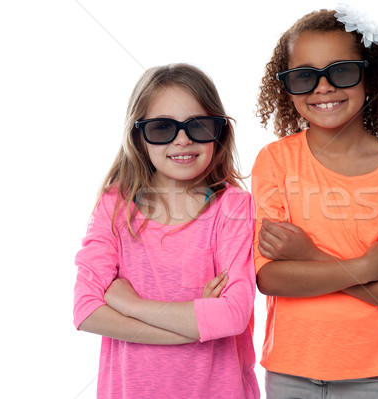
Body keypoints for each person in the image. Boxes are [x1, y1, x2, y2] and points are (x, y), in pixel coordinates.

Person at [252, 5, 378, 398]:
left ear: (368, 77)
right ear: (286, 88)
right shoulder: (275, 161)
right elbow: (270, 278)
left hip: (376, 378)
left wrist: (309, 256)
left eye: (340, 71)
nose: (323, 87)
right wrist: (368, 267)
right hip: (290, 371)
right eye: (304, 76)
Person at [73, 63, 259, 398]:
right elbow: (86, 310)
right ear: (139, 136)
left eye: (198, 125)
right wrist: (194, 326)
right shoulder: (115, 205)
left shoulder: (232, 207)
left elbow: (232, 315)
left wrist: (130, 304)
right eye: (162, 128)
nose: (183, 139)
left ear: (219, 131)